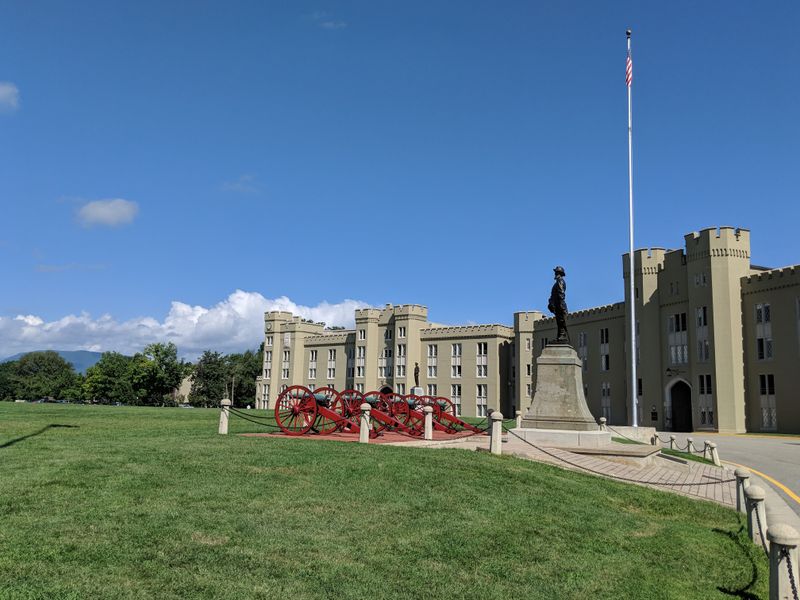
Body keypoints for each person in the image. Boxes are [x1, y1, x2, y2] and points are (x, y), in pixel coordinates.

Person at [547, 266, 569, 343]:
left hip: (560, 305)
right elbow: (553, 295)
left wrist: (561, 306)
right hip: (557, 305)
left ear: (559, 273)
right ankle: (560, 337)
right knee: (559, 322)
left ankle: (562, 336)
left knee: (561, 322)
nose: (555, 273)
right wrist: (551, 303)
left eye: (556, 272)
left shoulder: (560, 281)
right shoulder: (558, 282)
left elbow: (561, 294)